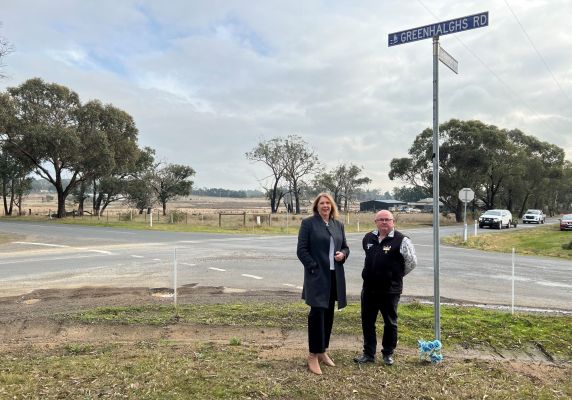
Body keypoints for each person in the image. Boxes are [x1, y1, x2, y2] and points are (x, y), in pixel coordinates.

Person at [353, 209, 417, 366]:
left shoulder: (402, 240)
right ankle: (368, 353)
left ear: (393, 221)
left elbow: (412, 262)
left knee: (390, 323)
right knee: (368, 322)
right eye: (380, 219)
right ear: (375, 222)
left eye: (387, 219)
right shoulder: (368, 238)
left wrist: (395, 276)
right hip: (369, 289)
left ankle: (388, 353)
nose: (383, 222)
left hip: (390, 290)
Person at [297, 193, 350, 375]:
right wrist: (313, 267)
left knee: (328, 314)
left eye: (328, 203)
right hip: (317, 276)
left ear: (332, 206)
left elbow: (345, 247)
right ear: (317, 206)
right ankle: (312, 354)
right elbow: (301, 250)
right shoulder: (308, 224)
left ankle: (322, 351)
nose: (325, 206)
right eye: (322, 203)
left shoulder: (338, 225)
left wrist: (343, 255)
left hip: (335, 276)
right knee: (317, 313)